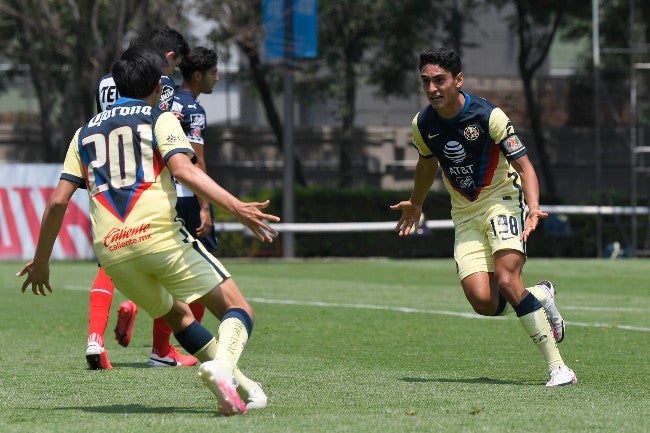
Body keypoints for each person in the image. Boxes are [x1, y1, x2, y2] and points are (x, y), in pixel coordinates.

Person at [18, 45, 279, 415]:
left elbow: (58, 201)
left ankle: (245, 387)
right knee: (240, 309)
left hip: (112, 254)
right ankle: (221, 367)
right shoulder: (160, 118)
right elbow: (186, 171)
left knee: (178, 316)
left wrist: (41, 260)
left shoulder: (83, 132)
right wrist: (236, 207)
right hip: (158, 237)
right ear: (158, 84)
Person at [390, 47, 577, 387]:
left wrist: (534, 207)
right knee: (484, 301)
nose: (432, 88)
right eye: (425, 82)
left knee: (507, 280)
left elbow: (525, 164)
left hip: (502, 200)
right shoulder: (422, 124)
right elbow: (427, 163)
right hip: (464, 213)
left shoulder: (489, 116)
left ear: (458, 81)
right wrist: (416, 204)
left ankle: (559, 368)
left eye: (439, 80)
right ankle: (541, 295)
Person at [89, 25, 199, 370]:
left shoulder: (107, 80)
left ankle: (95, 339)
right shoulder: (159, 84)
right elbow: (158, 122)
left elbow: (104, 120)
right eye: (176, 64)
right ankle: (161, 349)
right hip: (146, 181)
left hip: (105, 175)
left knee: (109, 260)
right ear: (167, 58)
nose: (173, 73)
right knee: (164, 258)